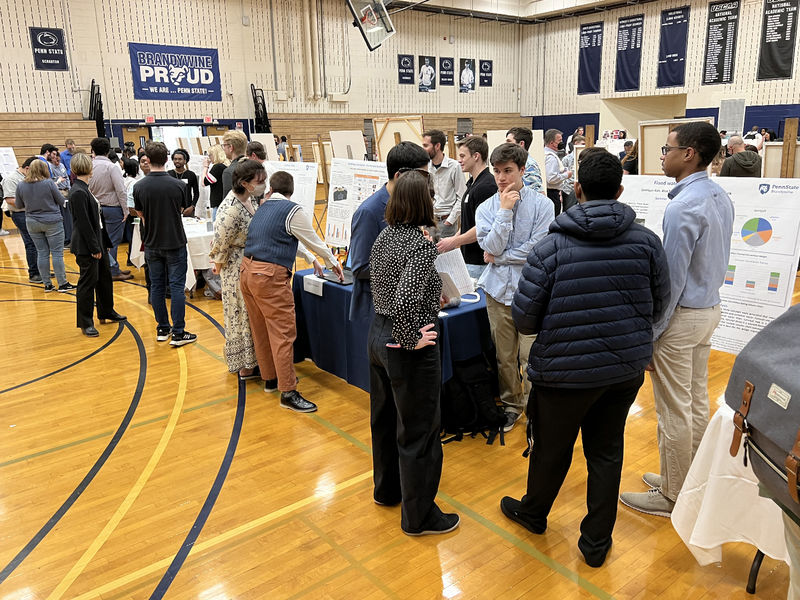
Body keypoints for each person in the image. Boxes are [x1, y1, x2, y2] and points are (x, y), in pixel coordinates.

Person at [501, 149, 670, 568]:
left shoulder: (550, 248)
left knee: (550, 450)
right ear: (619, 190)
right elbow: (661, 302)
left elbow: (524, 318)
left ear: (576, 189)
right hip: (623, 368)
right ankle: (596, 542)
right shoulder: (647, 242)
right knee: (607, 451)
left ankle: (534, 512)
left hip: (563, 372)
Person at [620, 121, 735, 517]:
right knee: (695, 401)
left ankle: (673, 493)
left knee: (673, 409)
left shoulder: (684, 206)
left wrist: (652, 332)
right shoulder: (719, 195)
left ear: (689, 154)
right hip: (708, 311)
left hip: (682, 317)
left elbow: (670, 281)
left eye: (667, 149)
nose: (663, 156)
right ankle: (690, 479)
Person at [368, 169, 459, 536]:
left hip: (377, 335)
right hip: (405, 344)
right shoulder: (420, 245)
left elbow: (388, 287)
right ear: (424, 201)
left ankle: (387, 490)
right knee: (419, 430)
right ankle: (419, 516)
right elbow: (405, 298)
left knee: (386, 420)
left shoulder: (385, 237)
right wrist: (409, 339)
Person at [240, 170, 342, 412]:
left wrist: (309, 258)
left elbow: (282, 238)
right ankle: (288, 391)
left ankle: (271, 379)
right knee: (283, 333)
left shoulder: (263, 207)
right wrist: (332, 263)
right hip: (268, 277)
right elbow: (312, 239)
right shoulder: (292, 210)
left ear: (271, 190)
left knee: (261, 329)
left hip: (247, 272)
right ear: (291, 191)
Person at [475, 142, 554, 432]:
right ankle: (512, 406)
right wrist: (505, 212)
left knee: (530, 357)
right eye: (496, 171)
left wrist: (501, 258)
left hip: (531, 293)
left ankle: (535, 410)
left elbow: (538, 250)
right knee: (504, 357)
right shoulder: (486, 208)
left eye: (507, 171)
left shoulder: (544, 205)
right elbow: (489, 245)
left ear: (522, 170)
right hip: (496, 293)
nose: (501, 177)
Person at [349, 141, 431, 326]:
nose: (424, 183)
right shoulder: (369, 212)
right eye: (421, 176)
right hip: (380, 310)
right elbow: (360, 267)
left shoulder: (408, 205)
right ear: (399, 176)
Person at [134, 141, 197, 347]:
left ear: (148, 160)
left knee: (157, 286)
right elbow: (182, 209)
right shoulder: (179, 185)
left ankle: (162, 328)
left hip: (152, 242)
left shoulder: (139, 186)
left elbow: (141, 215)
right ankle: (178, 332)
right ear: (168, 159)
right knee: (177, 287)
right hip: (175, 241)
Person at [208, 160, 262, 379]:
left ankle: (255, 360)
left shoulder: (249, 200)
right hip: (235, 268)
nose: (262, 184)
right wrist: (218, 264)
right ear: (244, 183)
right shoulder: (231, 208)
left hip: (249, 264)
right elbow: (220, 241)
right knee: (240, 314)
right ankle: (245, 365)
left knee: (249, 314)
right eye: (259, 181)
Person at [68, 152, 126, 337]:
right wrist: (94, 248)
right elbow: (84, 223)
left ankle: (106, 310)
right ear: (88, 168)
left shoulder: (85, 188)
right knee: (87, 283)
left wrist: (104, 242)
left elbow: (97, 221)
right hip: (87, 245)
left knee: (104, 278)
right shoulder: (78, 191)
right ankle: (86, 322)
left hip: (97, 240)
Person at [436, 135, 497, 279]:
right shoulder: (472, 184)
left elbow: (483, 227)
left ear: (476, 156)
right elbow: (469, 222)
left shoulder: (486, 187)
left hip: (479, 261)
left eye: (463, 156)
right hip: (469, 259)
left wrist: (453, 241)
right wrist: (452, 240)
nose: (459, 160)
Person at [14, 160, 75, 292]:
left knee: (42, 253)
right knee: (57, 253)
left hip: (31, 221)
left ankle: (47, 284)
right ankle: (62, 283)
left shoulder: (21, 185)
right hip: (52, 221)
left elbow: (18, 205)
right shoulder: (48, 183)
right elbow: (60, 200)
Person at [89, 137, 132, 281]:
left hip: (95, 208)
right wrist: (126, 210)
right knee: (112, 242)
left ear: (93, 150)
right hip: (112, 208)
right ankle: (112, 270)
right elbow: (121, 190)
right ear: (109, 151)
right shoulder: (112, 167)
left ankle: (113, 267)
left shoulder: (89, 165)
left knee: (101, 240)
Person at [422, 129, 466, 238]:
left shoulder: (455, 167)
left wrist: (450, 220)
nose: (423, 149)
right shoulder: (425, 167)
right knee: (429, 254)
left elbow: (462, 196)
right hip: (429, 221)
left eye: (426, 146)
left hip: (447, 222)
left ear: (437, 146)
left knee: (446, 255)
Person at [3, 158, 41, 280]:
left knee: (38, 242)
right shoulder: (11, 179)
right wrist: (31, 203)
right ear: (27, 168)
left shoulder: (27, 177)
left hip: (32, 213)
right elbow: (9, 200)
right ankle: (34, 273)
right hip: (20, 214)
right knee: (31, 243)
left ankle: (41, 270)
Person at [506, 127, 544, 193]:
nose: (505, 145)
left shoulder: (529, 165)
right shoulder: (514, 162)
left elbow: (537, 194)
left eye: (509, 141)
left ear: (521, 144)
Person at [543, 129, 572, 217]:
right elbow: (551, 178)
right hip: (551, 193)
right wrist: (567, 175)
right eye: (559, 141)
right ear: (552, 143)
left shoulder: (545, 153)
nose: (562, 142)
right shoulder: (551, 157)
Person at [168, 149, 199, 216]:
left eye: (180, 159)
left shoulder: (191, 175)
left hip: (188, 210)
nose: (177, 161)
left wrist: (192, 206)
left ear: (185, 161)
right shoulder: (169, 174)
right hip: (172, 209)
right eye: (175, 159)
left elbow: (196, 193)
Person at [202, 145, 229, 221]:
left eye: (210, 155)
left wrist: (205, 167)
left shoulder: (217, 167)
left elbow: (204, 182)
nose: (209, 158)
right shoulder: (225, 165)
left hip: (218, 204)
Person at [221, 130, 249, 199]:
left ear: (231, 147)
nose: (223, 149)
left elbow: (227, 202)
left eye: (224, 145)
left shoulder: (229, 172)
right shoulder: (256, 167)